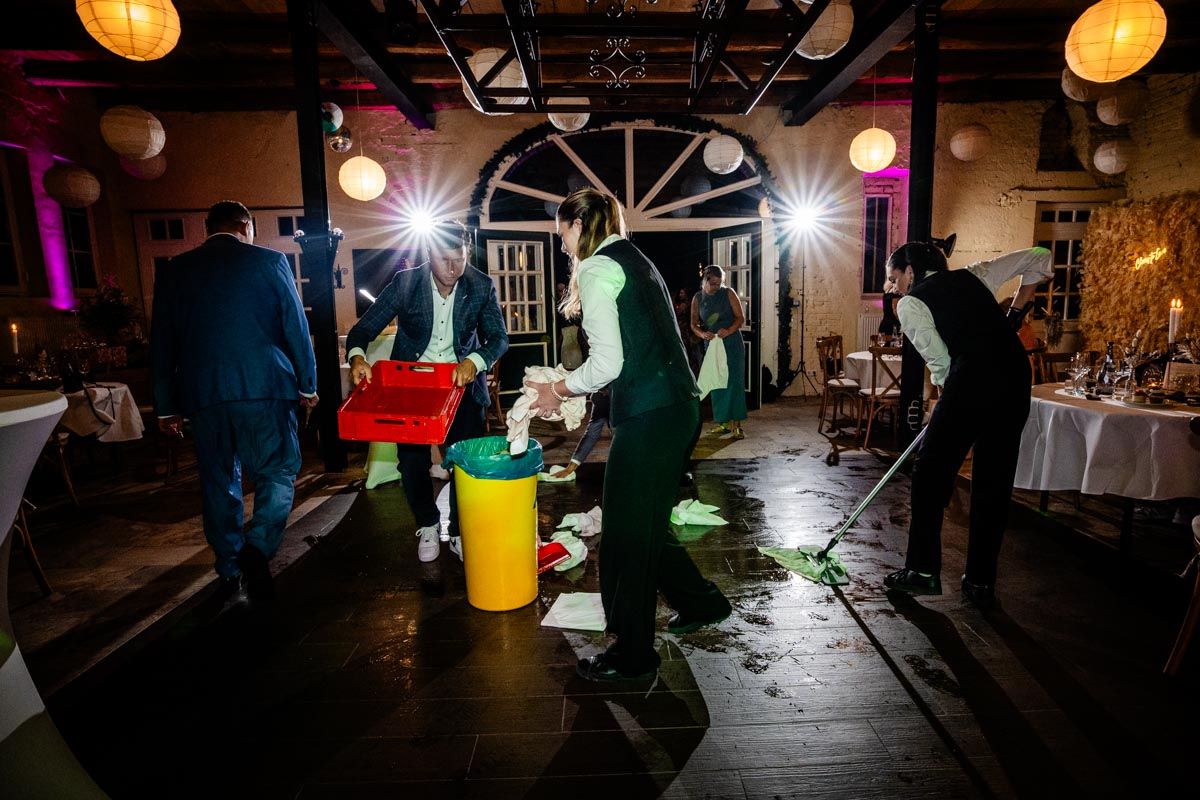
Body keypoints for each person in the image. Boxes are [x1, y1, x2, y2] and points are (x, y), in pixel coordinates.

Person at [527, 188, 731, 682]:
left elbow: (608, 363)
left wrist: (558, 389)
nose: (562, 245)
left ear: (578, 225)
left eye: (562, 234)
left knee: (623, 536)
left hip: (652, 417)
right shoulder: (632, 257)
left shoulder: (598, 267)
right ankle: (701, 603)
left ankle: (633, 656)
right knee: (645, 526)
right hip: (676, 409)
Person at [151, 200, 318, 601]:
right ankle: (257, 548)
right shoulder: (270, 261)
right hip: (265, 387)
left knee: (218, 481)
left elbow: (162, 342)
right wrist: (308, 385)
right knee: (276, 471)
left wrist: (166, 405)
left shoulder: (175, 270)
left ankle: (229, 566)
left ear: (207, 228)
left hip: (204, 394)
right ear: (246, 226)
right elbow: (295, 326)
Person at [882, 243, 1052, 609]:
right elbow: (1039, 255)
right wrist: (1015, 314)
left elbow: (941, 364)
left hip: (972, 377)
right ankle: (980, 580)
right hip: (1015, 375)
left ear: (911, 270)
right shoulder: (975, 275)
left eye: (894, 278)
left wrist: (949, 406)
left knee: (930, 471)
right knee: (994, 478)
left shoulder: (910, 304)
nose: (893, 288)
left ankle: (922, 570)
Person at [346, 222, 508, 563]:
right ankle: (428, 524)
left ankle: (461, 531)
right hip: (412, 388)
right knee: (412, 463)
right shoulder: (405, 283)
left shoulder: (481, 284)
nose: (452, 268)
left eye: (459, 259)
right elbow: (363, 329)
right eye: (444, 259)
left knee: (465, 464)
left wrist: (475, 361)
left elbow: (498, 338)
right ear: (428, 253)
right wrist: (357, 356)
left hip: (461, 387)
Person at [691, 265, 747, 439]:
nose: (717, 287)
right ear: (705, 281)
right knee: (716, 382)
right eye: (713, 283)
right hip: (713, 344)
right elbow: (693, 324)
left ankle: (737, 425)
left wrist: (728, 330)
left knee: (734, 382)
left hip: (731, 342)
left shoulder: (728, 293)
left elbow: (740, 318)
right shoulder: (697, 298)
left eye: (719, 283)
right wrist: (702, 334)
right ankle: (723, 423)